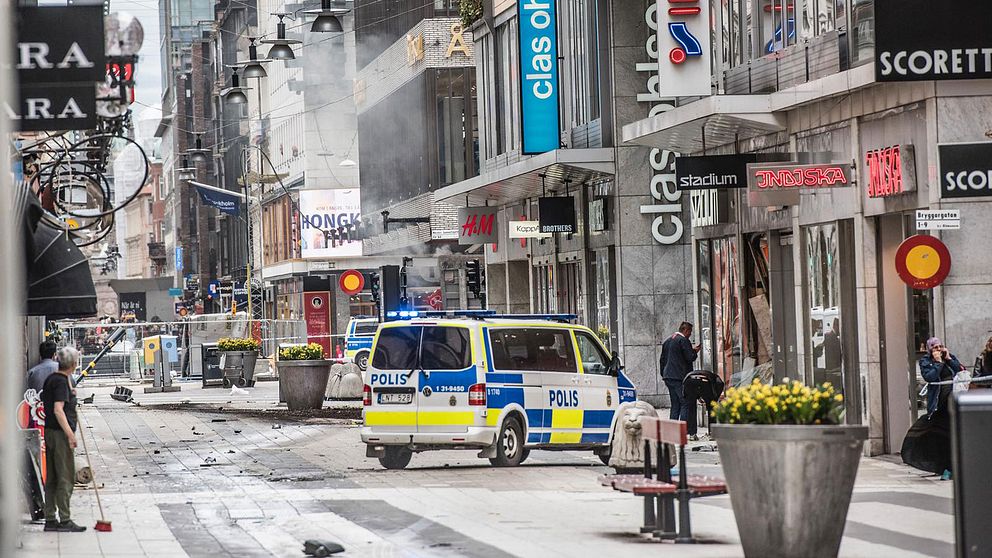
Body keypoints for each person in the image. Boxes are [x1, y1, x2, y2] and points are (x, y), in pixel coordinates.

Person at [40, 347, 86, 532]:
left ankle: (50, 519)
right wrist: (70, 434)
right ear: (74, 364)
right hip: (59, 434)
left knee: (51, 478)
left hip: (49, 432)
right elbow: (58, 410)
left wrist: (71, 394)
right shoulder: (60, 382)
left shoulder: (53, 379)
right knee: (65, 477)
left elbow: (49, 399)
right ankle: (65, 520)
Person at [660, 322, 701, 439]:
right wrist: (695, 351)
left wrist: (664, 374)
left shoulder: (668, 341)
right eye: (690, 332)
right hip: (679, 377)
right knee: (685, 403)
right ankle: (682, 433)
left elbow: (662, 360)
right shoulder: (683, 341)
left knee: (675, 404)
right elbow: (690, 357)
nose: (690, 335)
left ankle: (671, 432)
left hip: (668, 377)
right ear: (686, 330)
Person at [918, 337, 961, 417]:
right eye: (935, 347)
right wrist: (938, 363)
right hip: (937, 399)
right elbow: (929, 377)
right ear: (930, 349)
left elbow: (959, 369)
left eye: (940, 346)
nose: (939, 349)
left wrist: (949, 359)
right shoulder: (925, 360)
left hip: (952, 395)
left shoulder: (948, 356)